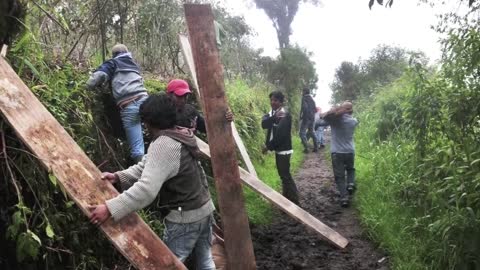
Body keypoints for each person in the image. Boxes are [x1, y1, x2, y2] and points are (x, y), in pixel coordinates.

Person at [88, 94, 216, 269]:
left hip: (185, 217)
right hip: (204, 208)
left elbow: (146, 190)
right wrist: (118, 176)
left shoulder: (164, 144)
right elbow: (148, 165)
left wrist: (110, 208)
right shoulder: (179, 133)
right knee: (205, 262)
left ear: (149, 121)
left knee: (169, 265)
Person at [86, 44, 148, 162]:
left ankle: (141, 173)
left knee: (137, 148)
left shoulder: (112, 63)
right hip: (146, 101)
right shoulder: (135, 65)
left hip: (129, 106)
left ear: (114, 55)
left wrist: (85, 87)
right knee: (157, 135)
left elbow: (98, 76)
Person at [262, 91, 299, 205]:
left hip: (284, 149)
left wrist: (268, 147)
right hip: (279, 149)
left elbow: (280, 136)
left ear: (281, 102)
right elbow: (264, 124)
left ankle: (294, 202)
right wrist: (273, 118)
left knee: (285, 175)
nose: (273, 102)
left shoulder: (285, 115)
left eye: (276, 100)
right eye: (272, 100)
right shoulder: (272, 113)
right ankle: (288, 200)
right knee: (283, 175)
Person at [322, 101, 358, 207]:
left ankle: (344, 198)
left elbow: (325, 117)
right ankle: (351, 184)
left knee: (340, 176)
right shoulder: (354, 121)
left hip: (337, 152)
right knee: (350, 169)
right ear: (351, 110)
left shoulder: (334, 121)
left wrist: (334, 111)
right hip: (350, 151)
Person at [166, 79, 233, 133]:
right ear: (169, 95)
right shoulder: (162, 114)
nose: (183, 100)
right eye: (179, 96)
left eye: (185, 96)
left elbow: (207, 128)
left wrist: (223, 118)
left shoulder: (190, 111)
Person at [299, 87, 318, 153]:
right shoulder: (312, 100)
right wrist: (311, 115)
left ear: (304, 92)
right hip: (312, 118)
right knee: (312, 132)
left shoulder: (304, 98)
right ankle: (316, 147)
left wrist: (303, 117)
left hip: (306, 118)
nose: (302, 93)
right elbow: (315, 110)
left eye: (302, 91)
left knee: (302, 133)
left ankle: (306, 148)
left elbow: (304, 108)